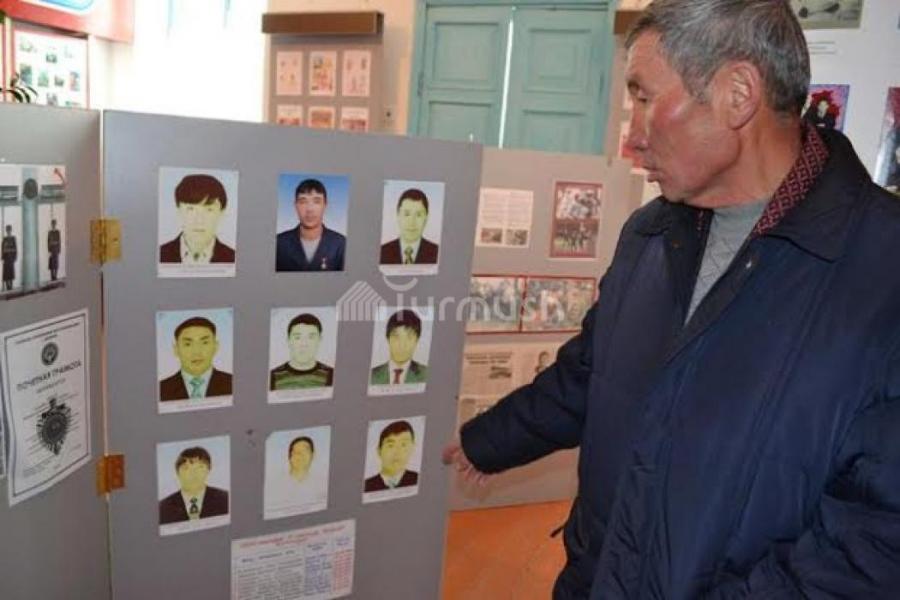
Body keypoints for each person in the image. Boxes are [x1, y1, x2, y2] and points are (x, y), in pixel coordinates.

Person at [443, 1, 900, 597]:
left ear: (738, 94)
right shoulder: (651, 234)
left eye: (643, 97)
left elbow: (875, 543)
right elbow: (591, 372)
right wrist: (488, 439)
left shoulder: (883, 272)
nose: (631, 140)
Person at [159, 174, 235, 264]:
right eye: (190, 209)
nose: (199, 220)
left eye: (209, 210)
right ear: (178, 211)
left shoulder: (233, 258)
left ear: (222, 213)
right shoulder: (160, 255)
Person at [276, 178, 346, 271]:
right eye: (303, 202)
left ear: (325, 205)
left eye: (317, 201)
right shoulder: (278, 243)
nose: (309, 209)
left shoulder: (341, 244)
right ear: (295, 206)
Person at [160, 317, 232, 401]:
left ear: (215, 346)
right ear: (176, 349)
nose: (196, 352)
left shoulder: (232, 383)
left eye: (205, 342)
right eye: (188, 344)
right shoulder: (161, 389)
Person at [159, 446, 229, 524]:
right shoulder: (162, 508)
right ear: (177, 473)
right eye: (186, 468)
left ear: (208, 470)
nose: (193, 473)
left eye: (200, 467)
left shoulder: (226, 499)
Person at [270, 313, 334, 390]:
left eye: (311, 337)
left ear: (320, 340)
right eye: (297, 337)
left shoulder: (332, 374)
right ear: (288, 340)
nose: (304, 344)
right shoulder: (272, 376)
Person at [379, 188, 439, 265]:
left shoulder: (437, 252)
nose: (412, 222)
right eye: (407, 214)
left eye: (418, 215)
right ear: (398, 215)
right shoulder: (382, 252)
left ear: (426, 218)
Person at [370, 309, 428, 385]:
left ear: (416, 341)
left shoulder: (426, 374)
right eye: (396, 337)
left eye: (409, 337)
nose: (401, 345)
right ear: (388, 338)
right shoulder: (372, 375)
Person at [364, 420, 418, 492]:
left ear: (412, 448)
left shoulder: (418, 479)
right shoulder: (366, 485)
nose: (397, 452)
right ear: (379, 451)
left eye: (403, 445)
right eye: (390, 446)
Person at [2, 225, 16, 291]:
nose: (8, 231)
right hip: (6, 258)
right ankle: (8, 286)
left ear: (11, 230)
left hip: (11, 258)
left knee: (11, 272)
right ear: (6, 231)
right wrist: (3, 256)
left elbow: (15, 249)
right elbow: (3, 249)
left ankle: (11, 286)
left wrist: (14, 256)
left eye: (9, 230)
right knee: (6, 273)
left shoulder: (13, 239)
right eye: (7, 230)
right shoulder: (4, 239)